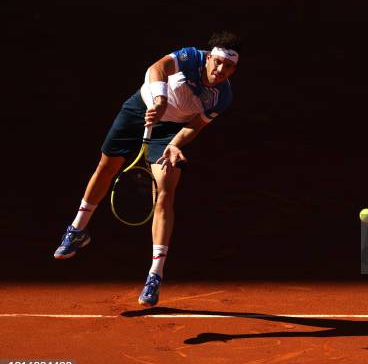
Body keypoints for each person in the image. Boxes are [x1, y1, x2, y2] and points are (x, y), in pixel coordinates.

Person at [53, 31, 241, 307]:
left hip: (169, 131)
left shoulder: (221, 97)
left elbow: (195, 125)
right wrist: (160, 100)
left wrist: (176, 144)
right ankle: (78, 229)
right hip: (140, 109)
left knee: (166, 190)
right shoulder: (190, 57)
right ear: (209, 57)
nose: (221, 70)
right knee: (107, 166)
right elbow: (157, 68)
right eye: (218, 62)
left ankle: (155, 275)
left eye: (229, 67)